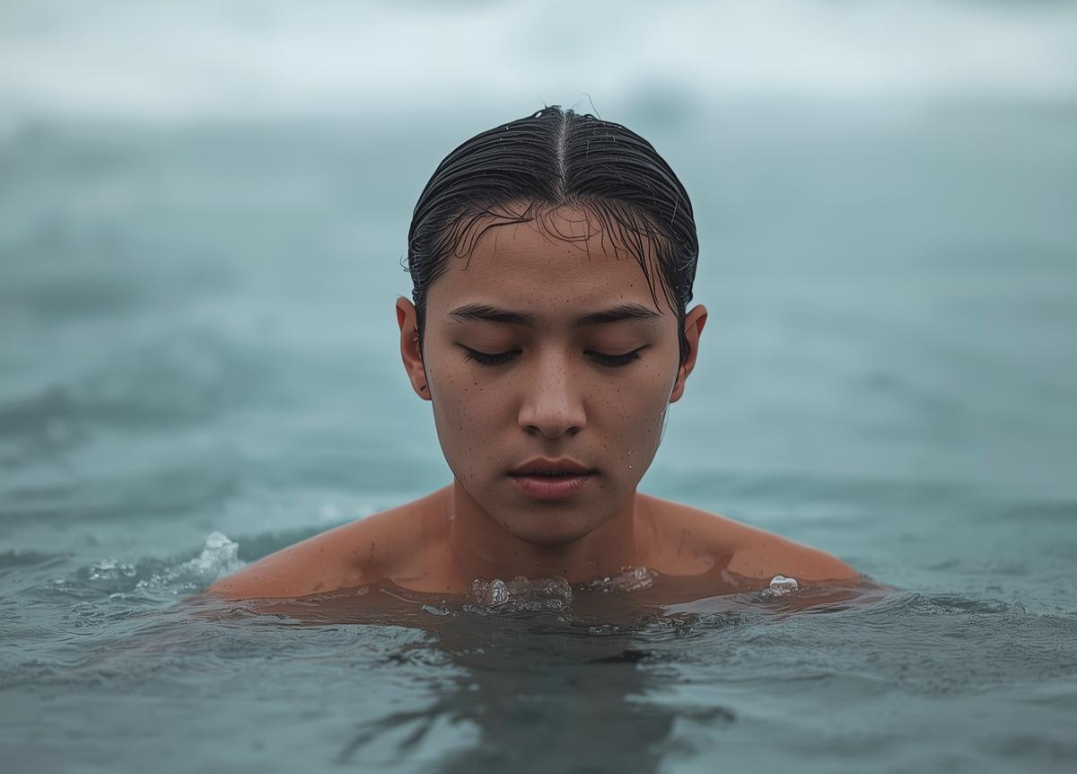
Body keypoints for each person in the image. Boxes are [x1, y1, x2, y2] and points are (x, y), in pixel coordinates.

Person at [209, 106, 859, 601]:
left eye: (613, 351)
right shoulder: (268, 617)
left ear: (685, 356)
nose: (552, 413)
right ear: (414, 349)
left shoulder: (805, 603)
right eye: (492, 350)